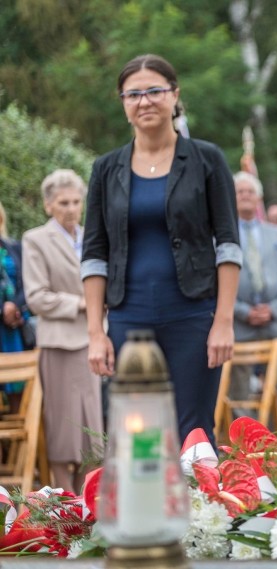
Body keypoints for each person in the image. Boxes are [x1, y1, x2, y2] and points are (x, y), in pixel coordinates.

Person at [82, 54, 241, 444]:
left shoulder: (207, 159)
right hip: (126, 317)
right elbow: (94, 253)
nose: (145, 101)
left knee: (195, 430)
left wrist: (223, 321)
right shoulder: (106, 169)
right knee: (134, 431)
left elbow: (229, 245)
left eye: (155, 90)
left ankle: (205, 508)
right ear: (123, 103)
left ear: (174, 95)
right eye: (133, 94)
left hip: (193, 315)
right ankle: (139, 506)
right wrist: (95, 333)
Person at [22, 169, 103, 491]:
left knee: (92, 428)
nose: (70, 208)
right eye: (63, 202)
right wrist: (82, 303)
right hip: (58, 344)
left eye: (75, 201)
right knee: (62, 427)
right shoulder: (36, 239)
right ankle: (62, 497)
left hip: (93, 340)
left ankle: (88, 499)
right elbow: (37, 297)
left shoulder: (93, 236)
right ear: (48, 206)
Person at [232, 172, 277, 425]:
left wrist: (273, 309)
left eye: (250, 191)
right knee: (238, 389)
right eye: (240, 192)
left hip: (276, 321)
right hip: (240, 324)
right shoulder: (222, 235)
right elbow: (218, 284)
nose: (245, 196)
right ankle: (241, 443)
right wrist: (243, 311)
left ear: (259, 197)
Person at [0, 200, 33, 411]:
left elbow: (29, 281)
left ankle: (19, 443)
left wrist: (15, 306)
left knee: (19, 390)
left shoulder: (14, 247)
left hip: (15, 327)